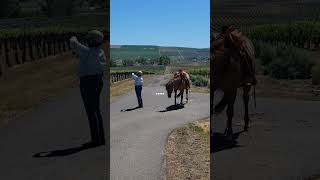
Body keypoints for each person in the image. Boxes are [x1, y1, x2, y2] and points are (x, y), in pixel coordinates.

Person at [69, 30, 106, 147]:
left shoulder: (87, 52)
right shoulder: (100, 52)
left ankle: (96, 139)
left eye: (89, 38)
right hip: (97, 80)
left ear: (92, 40)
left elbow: (73, 43)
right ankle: (100, 138)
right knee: (96, 110)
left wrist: (75, 36)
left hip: (87, 82)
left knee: (91, 111)